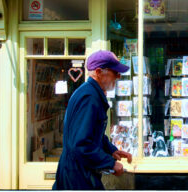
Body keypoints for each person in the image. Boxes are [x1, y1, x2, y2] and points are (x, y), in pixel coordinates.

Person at [53, 50, 132, 190]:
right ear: (99, 72)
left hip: (79, 174)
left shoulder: (90, 92)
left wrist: (111, 150)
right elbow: (81, 144)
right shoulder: (89, 97)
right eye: (115, 72)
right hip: (77, 177)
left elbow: (92, 133)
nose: (119, 76)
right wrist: (110, 163)